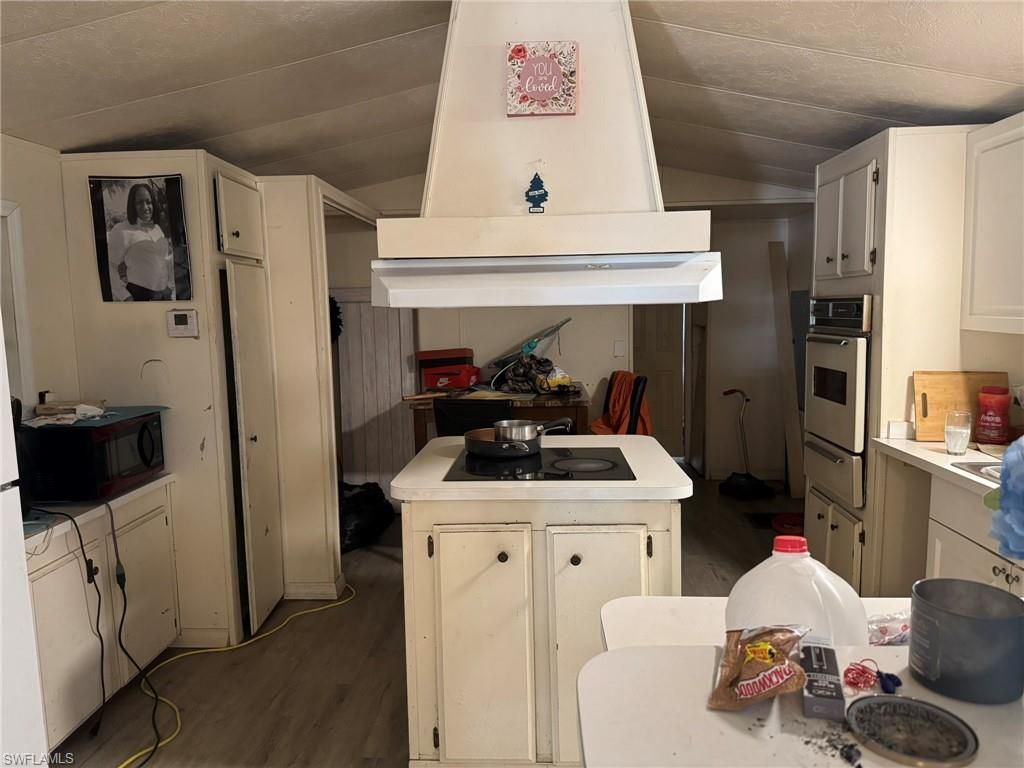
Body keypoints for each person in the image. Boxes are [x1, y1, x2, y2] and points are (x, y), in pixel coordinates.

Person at [106, 182, 173, 301]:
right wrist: (125, 296)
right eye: (139, 202)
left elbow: (164, 261)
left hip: (164, 296)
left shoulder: (157, 229)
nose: (145, 207)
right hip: (139, 296)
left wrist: (169, 287)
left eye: (148, 202)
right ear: (132, 205)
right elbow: (110, 266)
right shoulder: (121, 230)